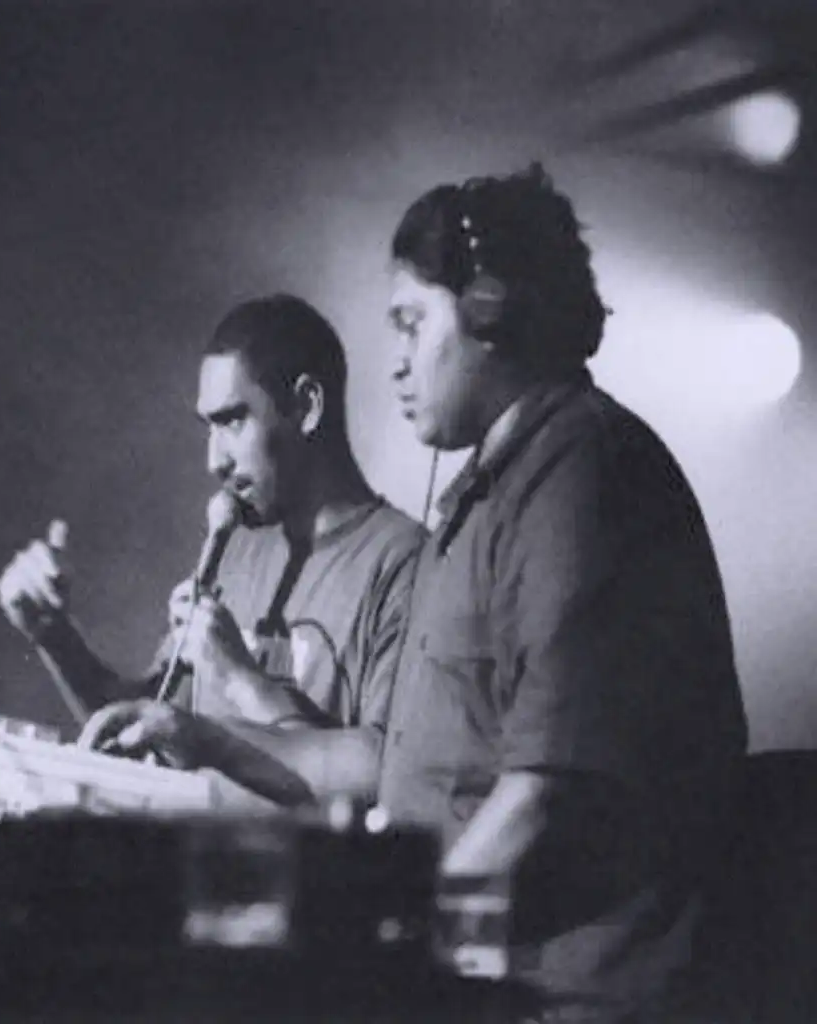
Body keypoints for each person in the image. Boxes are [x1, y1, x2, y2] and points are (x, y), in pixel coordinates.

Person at [376, 164, 747, 1022]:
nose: (395, 361)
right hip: (485, 980)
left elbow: (544, 797)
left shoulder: (585, 474)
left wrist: (393, 965)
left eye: (411, 322)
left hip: (564, 1001)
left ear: (490, 312)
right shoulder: (493, 491)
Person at [0, 294, 424, 808]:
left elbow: (389, 772)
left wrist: (242, 681)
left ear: (306, 406)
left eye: (233, 421)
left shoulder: (404, 561)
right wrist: (53, 636)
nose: (213, 460)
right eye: (209, 427)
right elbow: (147, 727)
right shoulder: (238, 548)